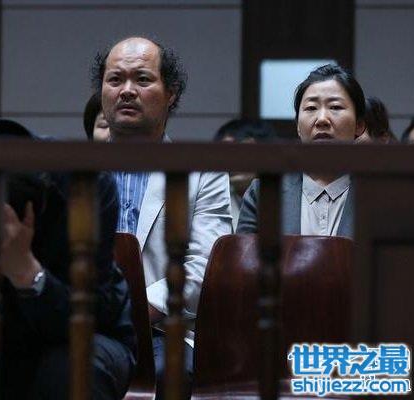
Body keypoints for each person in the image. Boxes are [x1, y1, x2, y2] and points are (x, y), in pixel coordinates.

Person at [91, 36, 232, 399]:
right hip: (84, 323)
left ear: (171, 93)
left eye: (142, 79)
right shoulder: (74, 170)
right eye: (115, 79)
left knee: (170, 373)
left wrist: (132, 311)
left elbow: (204, 267)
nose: (127, 90)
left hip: (163, 330)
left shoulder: (203, 171)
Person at [0, 119, 136, 400]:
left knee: (72, 367)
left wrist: (27, 273)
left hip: (88, 332)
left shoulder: (86, 184)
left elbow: (90, 313)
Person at [237, 64, 366, 238]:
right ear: (298, 126)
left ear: (359, 125)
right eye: (311, 108)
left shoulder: (379, 195)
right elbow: (243, 254)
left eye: (335, 107)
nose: (322, 119)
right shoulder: (264, 194)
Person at [214, 118, 279, 230]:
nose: (233, 160)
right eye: (226, 153)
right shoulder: (215, 199)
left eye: (243, 152)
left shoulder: (285, 197)